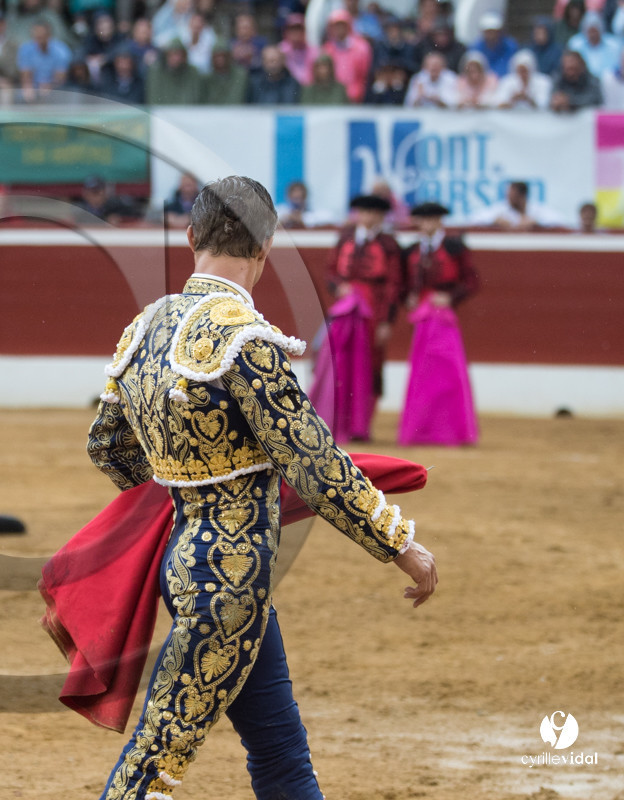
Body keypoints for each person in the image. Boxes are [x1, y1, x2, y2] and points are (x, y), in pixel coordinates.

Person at [88, 175, 436, 800]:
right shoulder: (244, 341)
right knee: (151, 768)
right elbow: (316, 464)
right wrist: (400, 543)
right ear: (266, 246)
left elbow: (108, 449)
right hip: (230, 580)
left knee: (279, 751)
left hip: (186, 560)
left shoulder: (147, 327)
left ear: (191, 236)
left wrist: (177, 459)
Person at [314, 193, 401, 443]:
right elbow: (330, 272)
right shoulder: (345, 238)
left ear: (382, 217)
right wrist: (338, 288)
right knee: (336, 361)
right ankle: (331, 420)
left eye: (374, 213)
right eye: (365, 212)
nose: (369, 217)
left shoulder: (389, 245)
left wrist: (386, 321)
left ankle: (360, 425)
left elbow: (394, 285)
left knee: (369, 365)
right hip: (344, 308)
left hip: (373, 311)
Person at [399, 202, 480, 446]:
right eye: (421, 220)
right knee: (423, 373)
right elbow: (402, 284)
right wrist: (408, 298)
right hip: (423, 318)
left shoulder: (455, 248)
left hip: (443, 316)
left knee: (449, 372)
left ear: (439, 221)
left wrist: (451, 297)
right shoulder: (412, 250)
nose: (425, 224)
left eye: (430, 219)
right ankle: (422, 430)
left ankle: (453, 431)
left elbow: (471, 281)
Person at [321, 8, 371, 103]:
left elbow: (364, 76)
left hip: (357, 98)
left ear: (348, 25)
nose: (338, 29)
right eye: (335, 26)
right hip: (334, 99)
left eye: (341, 25)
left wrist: (357, 94)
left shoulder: (362, 47)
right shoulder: (327, 49)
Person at [470, 180, 567, 229]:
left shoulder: (536, 209)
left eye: (513, 197)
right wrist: (495, 220)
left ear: (522, 196)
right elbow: (475, 219)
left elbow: (559, 220)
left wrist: (536, 222)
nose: (509, 200)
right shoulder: (502, 208)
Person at [16, 19, 71, 102]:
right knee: (22, 96)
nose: (38, 37)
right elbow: (26, 76)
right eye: (36, 34)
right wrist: (29, 90)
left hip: (55, 88)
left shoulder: (61, 50)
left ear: (48, 34)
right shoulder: (25, 49)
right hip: (34, 87)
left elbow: (60, 78)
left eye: (41, 35)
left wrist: (48, 87)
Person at [145, 39, 202, 103]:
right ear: (166, 56)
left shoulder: (192, 72)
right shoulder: (156, 72)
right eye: (172, 54)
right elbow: (154, 99)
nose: (176, 58)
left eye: (179, 55)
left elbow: (194, 98)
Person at [568, 11, 621, 76]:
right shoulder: (575, 44)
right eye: (590, 31)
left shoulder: (614, 44)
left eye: (595, 31)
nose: (593, 35)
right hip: (583, 81)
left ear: (601, 30)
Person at [74, 175, 139, 224]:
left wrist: (120, 218)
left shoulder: (116, 206)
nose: (96, 196)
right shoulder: (79, 209)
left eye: (99, 192)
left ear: (105, 193)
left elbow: (136, 215)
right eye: (93, 192)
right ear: (85, 194)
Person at [471, 11, 517, 77]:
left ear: (500, 31)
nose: (491, 35)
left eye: (493, 31)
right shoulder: (475, 47)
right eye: (488, 31)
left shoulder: (510, 46)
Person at [278, 13, 316, 86]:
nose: (296, 32)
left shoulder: (313, 51)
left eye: (299, 29)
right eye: (292, 29)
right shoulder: (281, 50)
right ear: (286, 31)